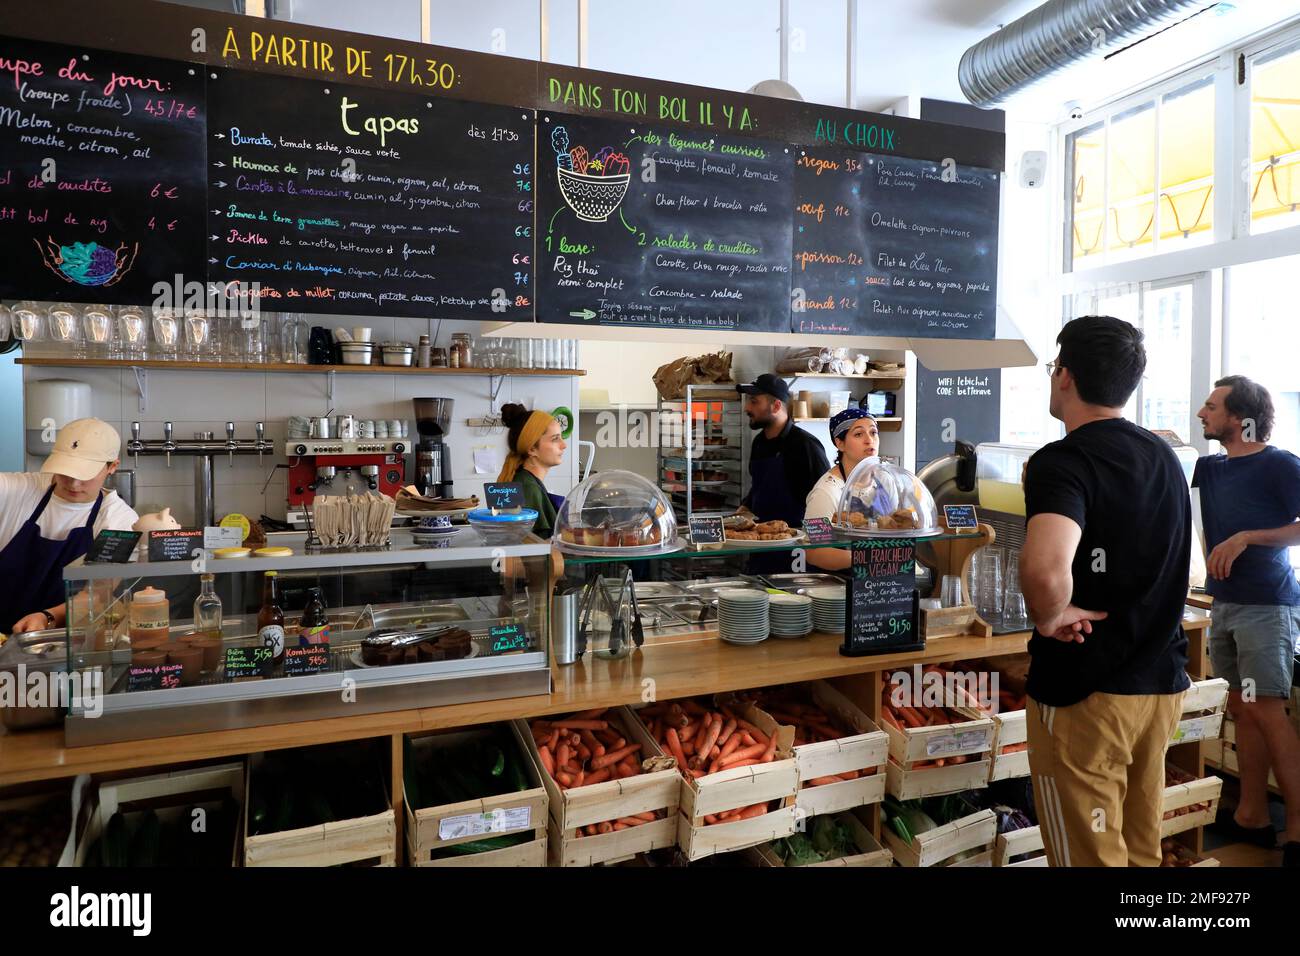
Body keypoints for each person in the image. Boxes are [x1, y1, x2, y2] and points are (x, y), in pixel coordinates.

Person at [1019, 316, 1191, 867]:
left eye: (1053, 367)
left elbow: (1046, 570)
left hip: (1086, 689)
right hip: (1160, 684)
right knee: (1139, 848)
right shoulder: (1163, 454)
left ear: (1064, 376)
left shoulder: (1064, 460)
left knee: (1087, 856)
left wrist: (1051, 616)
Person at [1192, 375, 1300, 867]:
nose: (1202, 414)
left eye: (1212, 407)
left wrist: (1247, 537)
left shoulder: (1280, 465)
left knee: (1268, 710)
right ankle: (1252, 814)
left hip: (1266, 606)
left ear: (1240, 419)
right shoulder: (1209, 469)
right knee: (1243, 705)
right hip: (1225, 603)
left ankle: (1296, 826)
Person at [0, 418, 139, 634]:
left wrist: (47, 617)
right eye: (66, 471)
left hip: (59, 642)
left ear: (112, 466)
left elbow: (98, 593)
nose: (74, 483)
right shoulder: (19, 489)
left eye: (86, 474)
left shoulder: (120, 520)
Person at [804, 408, 880, 572]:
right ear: (840, 443)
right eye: (859, 434)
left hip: (881, 582)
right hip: (839, 585)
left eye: (873, 432)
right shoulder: (825, 491)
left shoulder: (885, 482)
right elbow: (815, 552)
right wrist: (870, 558)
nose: (869, 440)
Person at [498, 403, 567, 540]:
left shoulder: (524, 480)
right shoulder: (528, 487)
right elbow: (535, 548)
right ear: (532, 449)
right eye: (555, 439)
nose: (564, 445)